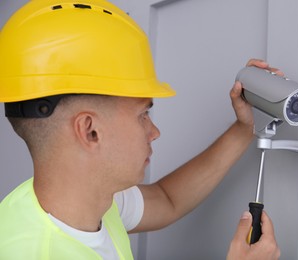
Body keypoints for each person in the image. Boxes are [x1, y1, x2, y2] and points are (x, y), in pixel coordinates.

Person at [0, 0, 280, 259]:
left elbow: (167, 199)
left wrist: (244, 128)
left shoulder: (86, 200)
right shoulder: (33, 252)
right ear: (90, 131)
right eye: (143, 114)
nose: (154, 131)